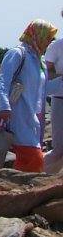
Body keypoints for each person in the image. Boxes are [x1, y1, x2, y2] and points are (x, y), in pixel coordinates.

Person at [0, 19, 58, 173]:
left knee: (27, 161)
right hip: (17, 114)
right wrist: (4, 107)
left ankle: (16, 192)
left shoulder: (39, 60)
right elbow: (2, 81)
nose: (50, 43)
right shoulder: (18, 53)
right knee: (34, 159)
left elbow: (42, 89)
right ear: (38, 35)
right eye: (49, 38)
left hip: (34, 118)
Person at [45, 34, 63, 173]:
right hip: (60, 99)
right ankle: (33, 173)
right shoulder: (56, 46)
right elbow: (46, 74)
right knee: (59, 149)